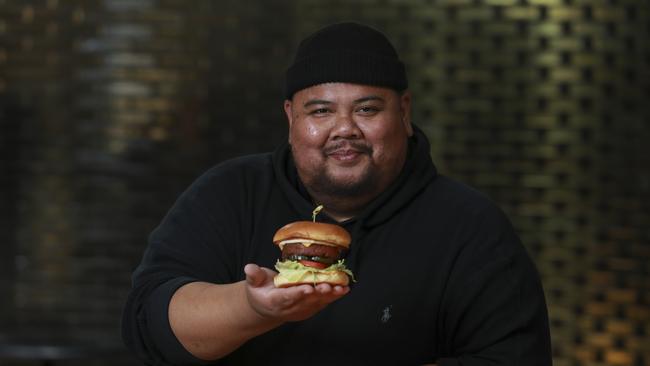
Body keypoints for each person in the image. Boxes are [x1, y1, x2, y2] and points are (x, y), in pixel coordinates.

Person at [122, 22, 552, 365]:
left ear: (403, 113)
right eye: (321, 110)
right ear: (291, 117)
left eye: (367, 109)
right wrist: (254, 308)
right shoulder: (229, 192)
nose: (344, 129)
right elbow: (148, 326)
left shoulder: (470, 225)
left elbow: (513, 357)